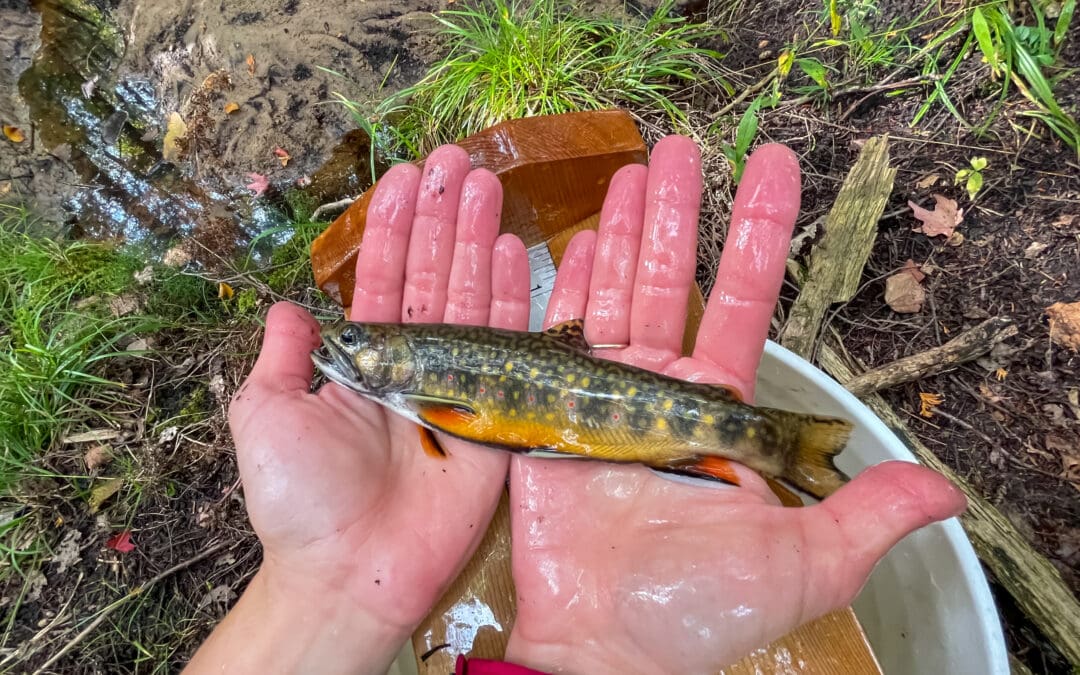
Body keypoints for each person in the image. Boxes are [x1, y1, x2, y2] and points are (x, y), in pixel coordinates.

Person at [185, 136, 966, 674]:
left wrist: (321, 595)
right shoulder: (418, 393)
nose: (336, 358)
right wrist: (327, 581)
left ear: (399, 365)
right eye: (349, 351)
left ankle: (765, 439)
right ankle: (762, 439)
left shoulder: (424, 397)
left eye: (354, 351)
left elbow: (457, 421)